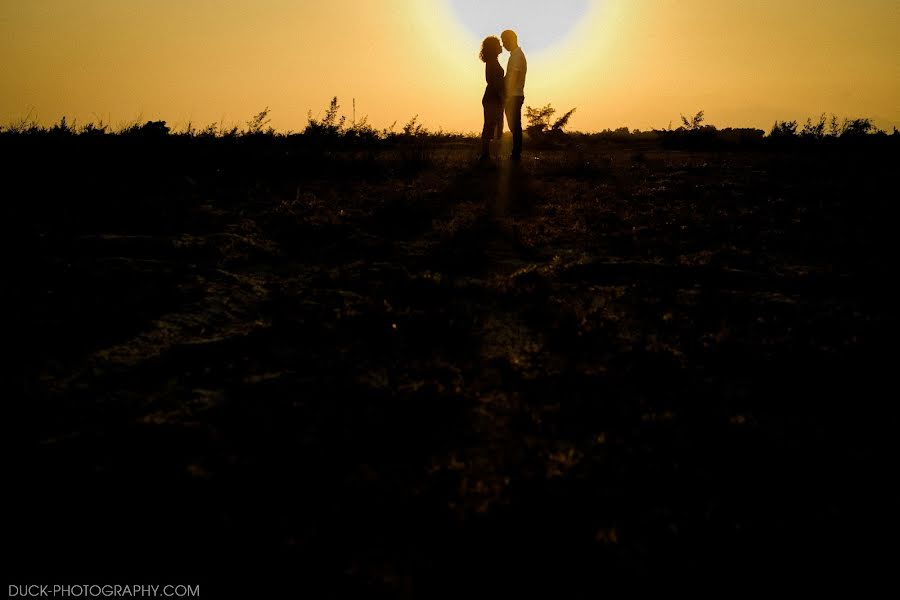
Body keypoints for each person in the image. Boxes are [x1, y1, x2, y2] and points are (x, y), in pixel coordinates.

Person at [501, 29, 527, 160]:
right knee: (513, 125)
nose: (503, 44)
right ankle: (516, 152)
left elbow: (514, 76)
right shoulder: (515, 55)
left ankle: (516, 154)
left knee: (515, 125)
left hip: (514, 95)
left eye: (505, 41)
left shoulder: (517, 56)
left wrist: (506, 92)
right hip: (514, 94)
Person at [479, 36, 504, 161]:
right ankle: (485, 156)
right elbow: (493, 81)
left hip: (494, 97)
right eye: (498, 44)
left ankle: (492, 155)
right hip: (492, 98)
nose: (501, 46)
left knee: (496, 127)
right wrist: (501, 95)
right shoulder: (492, 62)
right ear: (494, 47)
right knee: (490, 126)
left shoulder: (493, 61)